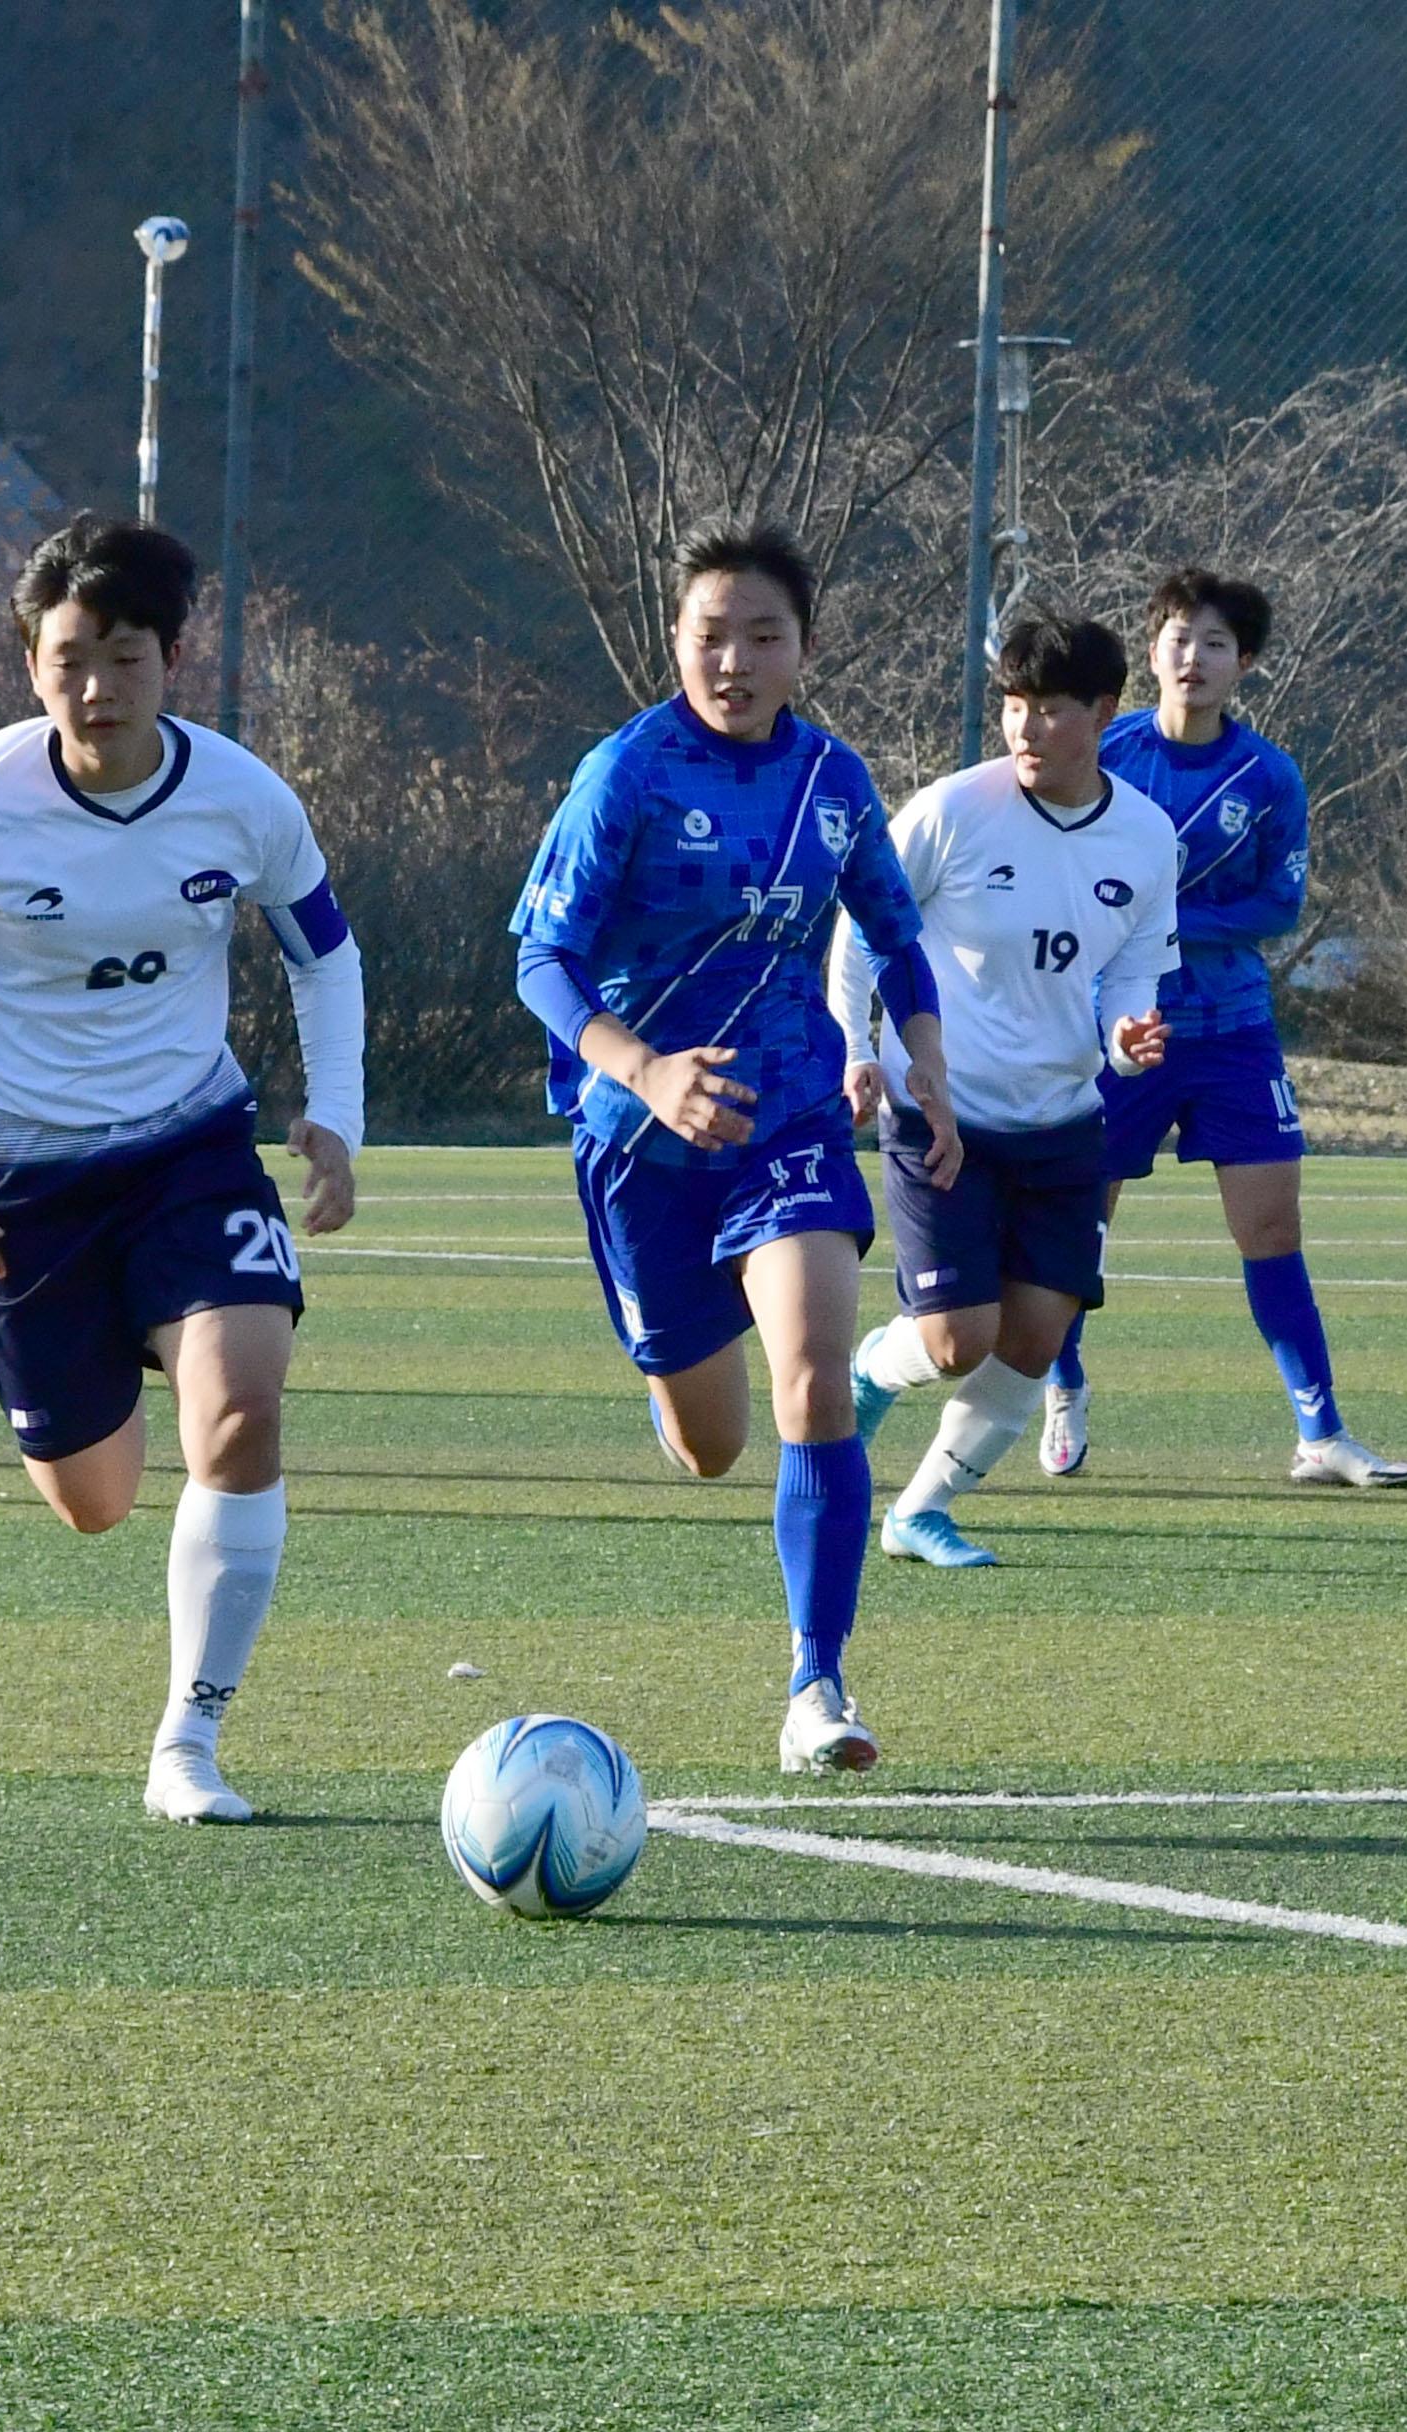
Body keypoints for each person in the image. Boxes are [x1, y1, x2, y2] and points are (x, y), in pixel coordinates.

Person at [0, 515, 365, 1827]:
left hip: (188, 1152)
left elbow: (323, 949)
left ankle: (188, 1741)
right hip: (15, 1191)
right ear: (31, 666)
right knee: (96, 1503)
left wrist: (335, 1114)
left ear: (171, 659)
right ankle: (127, 1346)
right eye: (69, 658)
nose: (96, 688)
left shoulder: (243, 798)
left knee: (244, 1409)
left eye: (123, 656)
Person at [511, 522, 956, 1773]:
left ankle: (818, 1683)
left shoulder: (834, 780)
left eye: (764, 635)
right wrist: (646, 1069)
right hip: (637, 1140)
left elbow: (895, 934)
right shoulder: (628, 773)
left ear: (804, 649)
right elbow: (541, 960)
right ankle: (674, 1388)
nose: (736, 658)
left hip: (793, 1114)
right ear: (678, 641)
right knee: (709, 1444)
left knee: (814, 1375)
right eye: (713, 634)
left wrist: (929, 1062)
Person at [1044, 568, 1407, 1490]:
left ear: (1242, 663)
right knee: (1074, 1226)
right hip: (1117, 1031)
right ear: (1152, 653)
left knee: (1272, 1229)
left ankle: (1321, 1434)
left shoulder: (1269, 774)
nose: (1193, 658)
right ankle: (1062, 1387)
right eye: (1177, 638)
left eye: (1215, 644)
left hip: (1232, 1030)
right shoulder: (1107, 750)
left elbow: (1276, 904)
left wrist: (1160, 919)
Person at [828, 612, 1179, 1566]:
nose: (1024, 729)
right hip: (945, 1112)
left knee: (1033, 1333)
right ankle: (869, 1370)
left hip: (1065, 1117)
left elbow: (1136, 970)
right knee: (953, 1339)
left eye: (1051, 709)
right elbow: (862, 934)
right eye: (1013, 706)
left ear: (1105, 714)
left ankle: (920, 1511)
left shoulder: (1147, 839)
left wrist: (1128, 1030)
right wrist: (853, 1048)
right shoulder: (950, 812)